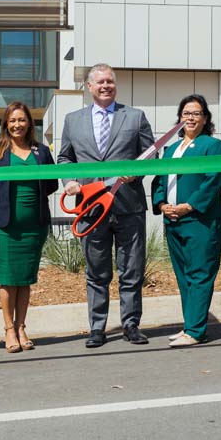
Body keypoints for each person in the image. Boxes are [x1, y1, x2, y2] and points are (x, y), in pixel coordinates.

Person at [57, 63, 154, 348]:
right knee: (96, 272)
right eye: (100, 82)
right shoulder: (73, 120)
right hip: (90, 207)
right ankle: (97, 328)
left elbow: (151, 154)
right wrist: (70, 181)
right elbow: (65, 158)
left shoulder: (135, 117)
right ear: (89, 86)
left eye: (110, 81)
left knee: (131, 269)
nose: (105, 86)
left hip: (128, 206)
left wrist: (137, 173)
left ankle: (131, 324)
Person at [0, 102, 57, 353]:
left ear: (29, 123)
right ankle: (8, 329)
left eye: (22, 120)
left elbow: (52, 183)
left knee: (25, 279)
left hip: (35, 226)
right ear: (6, 124)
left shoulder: (40, 151)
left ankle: (22, 326)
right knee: (7, 279)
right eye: (12, 120)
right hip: (5, 228)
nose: (17, 125)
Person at [150, 95, 221, 347]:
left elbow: (213, 181)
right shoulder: (171, 149)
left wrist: (188, 206)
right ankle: (190, 326)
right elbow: (159, 180)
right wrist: (161, 204)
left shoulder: (212, 145)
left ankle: (195, 330)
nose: (190, 118)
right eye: (186, 113)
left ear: (205, 118)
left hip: (200, 220)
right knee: (183, 276)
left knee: (199, 274)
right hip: (173, 220)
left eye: (196, 113)